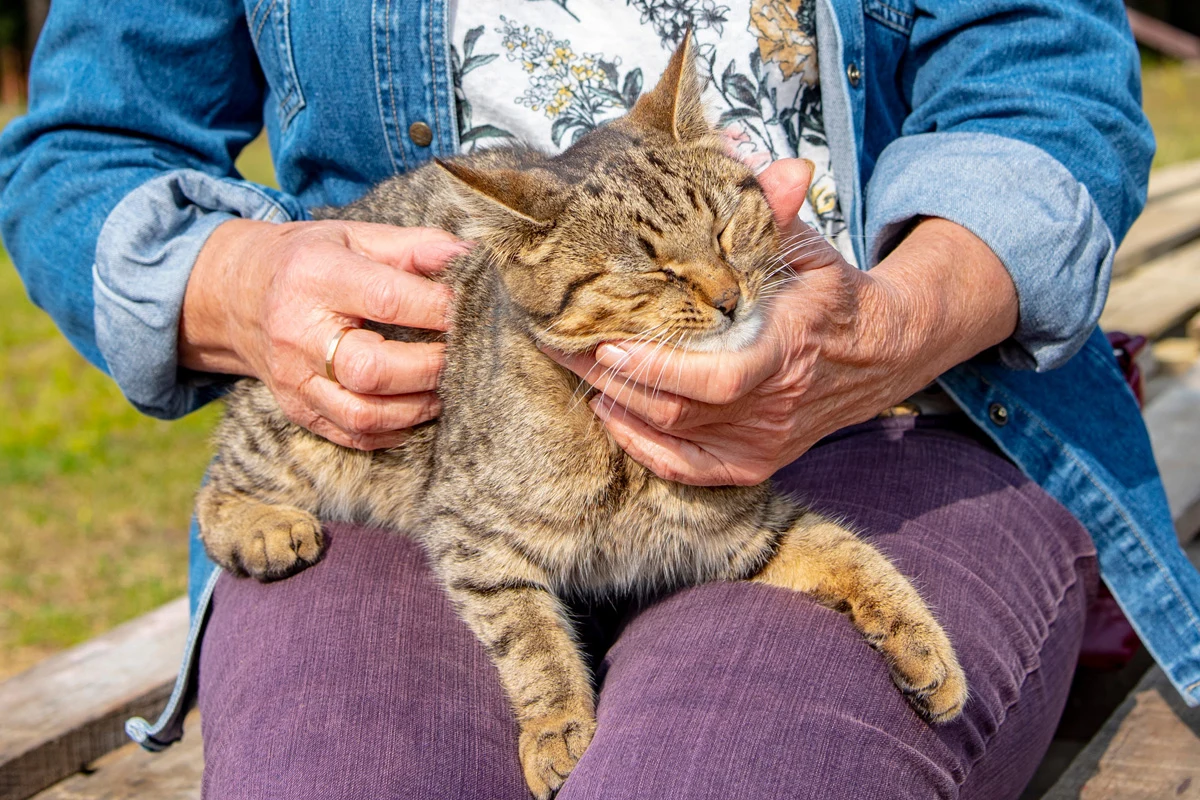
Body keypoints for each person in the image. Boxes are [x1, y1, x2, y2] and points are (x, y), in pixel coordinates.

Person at [1, 1, 1197, 797]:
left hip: (886, 414)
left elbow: (1050, 89)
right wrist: (241, 281)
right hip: (422, 440)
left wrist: (884, 329)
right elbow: (83, 147)